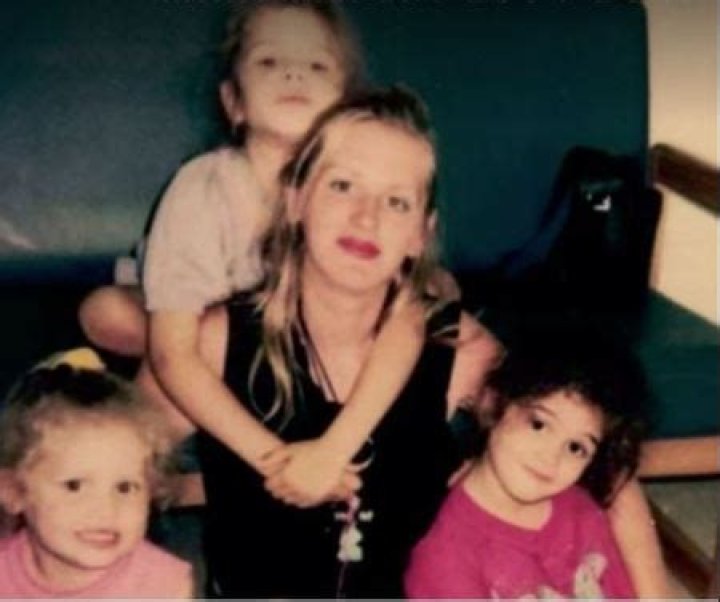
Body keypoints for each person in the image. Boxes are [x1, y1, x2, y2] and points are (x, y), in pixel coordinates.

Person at [77, 0, 429, 507]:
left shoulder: (358, 194)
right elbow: (175, 356)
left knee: (441, 329)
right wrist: (276, 462)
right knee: (120, 316)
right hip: (204, 332)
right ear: (233, 101)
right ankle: (128, 464)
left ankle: (201, 486)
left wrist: (329, 453)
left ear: (349, 109)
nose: (293, 74)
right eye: (269, 61)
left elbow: (413, 305)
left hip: (297, 346)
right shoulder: (205, 188)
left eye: (316, 65)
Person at [188, 85, 501, 597]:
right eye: (343, 185)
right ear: (296, 199)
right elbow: (109, 450)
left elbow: (585, 436)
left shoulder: (458, 349)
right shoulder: (217, 342)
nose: (366, 217)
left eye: (396, 202)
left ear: (420, 234)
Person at [404, 333, 651, 599]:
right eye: (538, 425)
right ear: (494, 403)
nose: (550, 458)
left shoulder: (582, 511)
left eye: (575, 447)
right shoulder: (445, 557)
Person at [0, 348, 193, 598]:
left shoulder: (163, 586)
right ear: (13, 491)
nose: (106, 510)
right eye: (74, 485)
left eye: (125, 487)